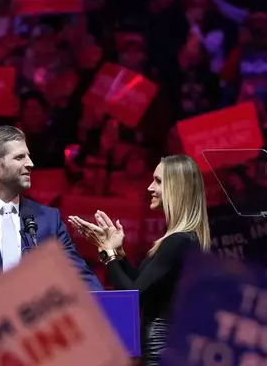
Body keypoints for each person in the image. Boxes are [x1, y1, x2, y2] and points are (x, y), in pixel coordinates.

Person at [68, 154, 210, 366]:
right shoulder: (183, 238)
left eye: (158, 181)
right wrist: (118, 252)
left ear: (177, 188)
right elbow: (142, 285)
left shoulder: (178, 241)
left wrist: (106, 252)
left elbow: (132, 297)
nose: (150, 187)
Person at [0, 125, 102, 295]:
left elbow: (82, 279)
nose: (30, 164)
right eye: (20, 157)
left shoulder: (49, 219)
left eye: (28, 156)